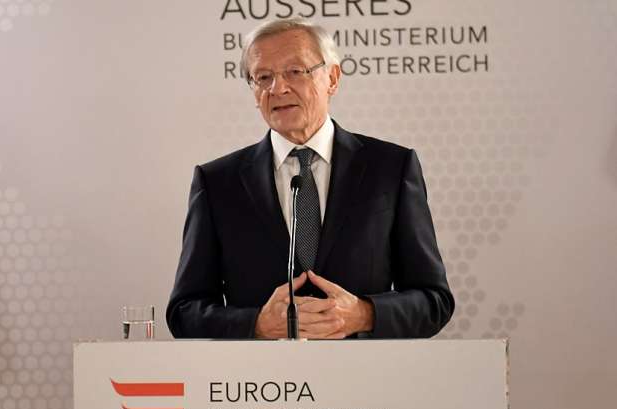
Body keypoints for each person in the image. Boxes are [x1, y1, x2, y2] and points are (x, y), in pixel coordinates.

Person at [166, 18, 454, 339]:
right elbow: (184, 312)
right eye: (263, 77)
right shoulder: (218, 182)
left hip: (366, 368)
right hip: (261, 371)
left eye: (295, 71)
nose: (278, 89)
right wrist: (256, 324)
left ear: (332, 78)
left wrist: (364, 314)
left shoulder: (390, 168)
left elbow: (434, 301)